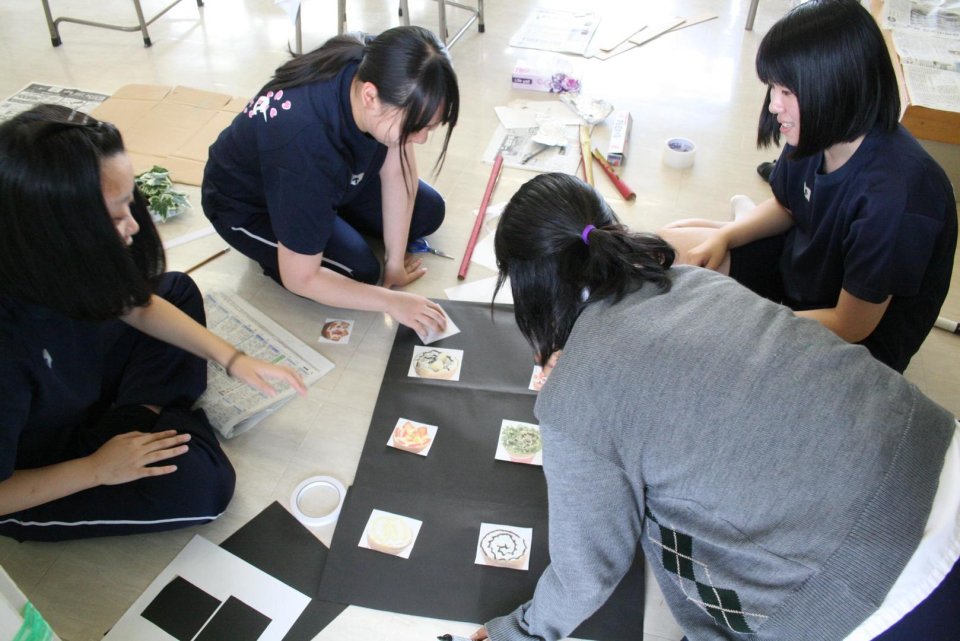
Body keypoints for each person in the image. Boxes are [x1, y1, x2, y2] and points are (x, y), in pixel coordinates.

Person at [474, 172, 959, 641]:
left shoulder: (574, 394)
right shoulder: (694, 282)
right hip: (940, 451)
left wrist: (518, 633)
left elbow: (587, 572)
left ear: (529, 288)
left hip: (881, 591)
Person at [0, 105, 307, 542]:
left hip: (73, 390)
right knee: (204, 486)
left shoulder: (53, 252)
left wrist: (232, 358)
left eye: (130, 203)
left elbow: (135, 303)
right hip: (41, 467)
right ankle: (149, 420)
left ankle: (139, 416)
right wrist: (95, 470)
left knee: (176, 290)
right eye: (115, 215)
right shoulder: (9, 345)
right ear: (56, 227)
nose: (131, 226)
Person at [658, 0, 957, 373]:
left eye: (786, 92)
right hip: (800, 274)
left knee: (707, 346)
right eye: (773, 88)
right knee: (673, 245)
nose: (772, 106)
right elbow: (787, 204)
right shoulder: (818, 129)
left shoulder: (898, 195)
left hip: (852, 343)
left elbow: (852, 325)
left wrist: (747, 323)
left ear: (835, 86)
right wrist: (729, 236)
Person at [202, 25, 459, 338]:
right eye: (416, 128)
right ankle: (281, 247)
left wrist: (395, 261)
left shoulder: (384, 68)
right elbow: (302, 278)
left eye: (429, 128)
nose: (420, 139)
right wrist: (391, 302)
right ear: (370, 97)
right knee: (360, 271)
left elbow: (396, 169)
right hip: (250, 206)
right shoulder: (304, 145)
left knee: (428, 211)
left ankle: (326, 217)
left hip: (325, 179)